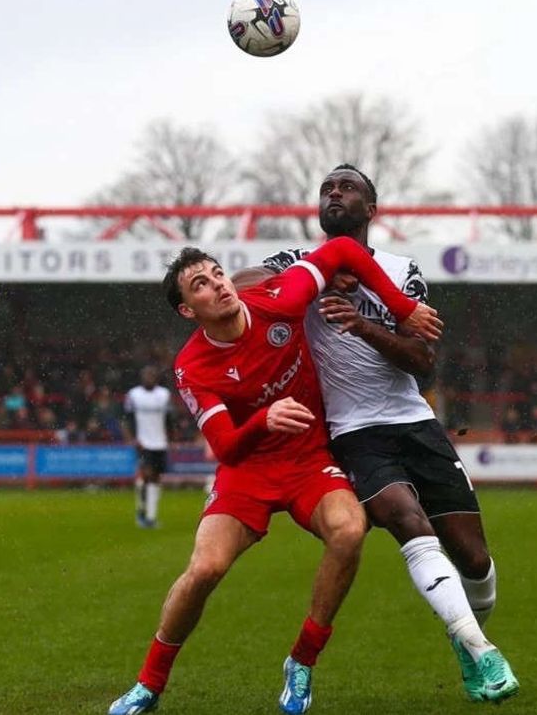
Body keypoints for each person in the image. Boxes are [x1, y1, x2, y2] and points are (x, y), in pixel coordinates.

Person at [108, 236, 442, 715]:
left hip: (309, 461)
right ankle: (149, 683)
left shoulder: (280, 298)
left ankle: (301, 662)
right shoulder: (191, 366)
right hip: (248, 470)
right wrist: (263, 419)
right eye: (200, 285)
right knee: (205, 568)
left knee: (349, 532)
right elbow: (225, 446)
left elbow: (346, 249)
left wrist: (402, 306)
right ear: (187, 310)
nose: (218, 285)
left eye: (217, 273)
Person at [245, 164, 519, 703]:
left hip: (415, 423)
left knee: (475, 560)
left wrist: (363, 323)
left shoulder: (400, 270)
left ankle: (469, 639)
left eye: (347, 189)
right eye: (326, 188)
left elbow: (422, 361)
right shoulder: (296, 264)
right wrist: (320, 273)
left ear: (372, 210)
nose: (334, 194)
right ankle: (482, 651)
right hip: (353, 432)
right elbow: (237, 288)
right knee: (408, 522)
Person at [123, 366, 172, 528]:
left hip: (160, 442)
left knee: (156, 478)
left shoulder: (164, 395)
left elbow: (169, 420)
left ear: (157, 377)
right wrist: (132, 439)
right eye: (146, 375)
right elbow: (127, 420)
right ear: (141, 377)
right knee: (147, 474)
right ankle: (142, 512)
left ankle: (150, 515)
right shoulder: (134, 395)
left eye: (152, 375)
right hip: (143, 442)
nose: (149, 377)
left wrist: (170, 438)